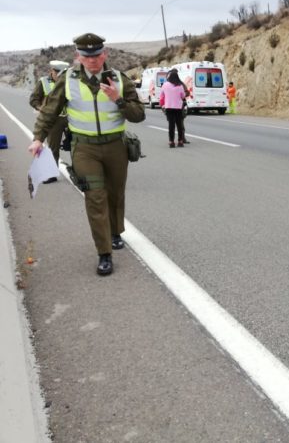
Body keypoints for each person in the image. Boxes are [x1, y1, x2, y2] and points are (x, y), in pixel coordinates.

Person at [28, 33, 145, 276]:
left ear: (105, 54)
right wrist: (38, 138)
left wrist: (118, 99)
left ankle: (114, 232)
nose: (92, 60)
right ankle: (104, 253)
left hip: (115, 146)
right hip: (84, 148)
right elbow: (50, 110)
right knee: (95, 196)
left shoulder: (120, 80)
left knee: (115, 193)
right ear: (78, 57)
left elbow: (138, 115)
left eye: (96, 55)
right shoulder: (67, 80)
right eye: (86, 56)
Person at [29, 60, 70, 182]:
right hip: (53, 120)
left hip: (71, 118)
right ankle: (51, 174)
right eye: (56, 72)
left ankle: (80, 173)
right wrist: (40, 108)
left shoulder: (70, 81)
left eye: (61, 72)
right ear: (51, 71)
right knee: (53, 148)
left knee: (77, 146)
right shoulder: (43, 82)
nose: (58, 74)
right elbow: (33, 99)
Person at [160, 69, 187, 147]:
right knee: (179, 125)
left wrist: (163, 105)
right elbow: (183, 96)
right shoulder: (180, 85)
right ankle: (180, 141)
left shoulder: (165, 85)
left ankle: (171, 141)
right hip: (178, 108)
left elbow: (162, 96)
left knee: (171, 125)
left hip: (168, 107)